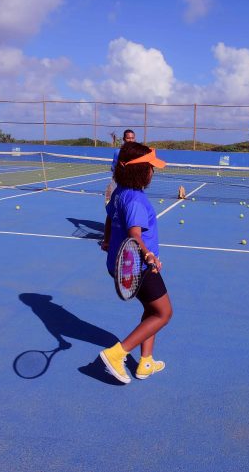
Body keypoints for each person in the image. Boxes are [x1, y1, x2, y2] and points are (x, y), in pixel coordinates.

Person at [99, 142, 172, 384]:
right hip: (138, 267)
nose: (154, 171)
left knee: (151, 310)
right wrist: (149, 255)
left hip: (121, 263)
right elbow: (135, 235)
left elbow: (109, 217)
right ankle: (116, 353)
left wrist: (108, 240)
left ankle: (146, 362)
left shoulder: (120, 191)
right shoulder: (136, 201)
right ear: (140, 171)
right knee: (163, 313)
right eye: (151, 167)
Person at [105, 129, 136, 204]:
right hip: (120, 184)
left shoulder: (137, 152)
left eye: (132, 138)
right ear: (124, 139)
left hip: (133, 185)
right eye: (128, 138)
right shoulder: (118, 152)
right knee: (114, 206)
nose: (131, 140)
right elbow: (114, 168)